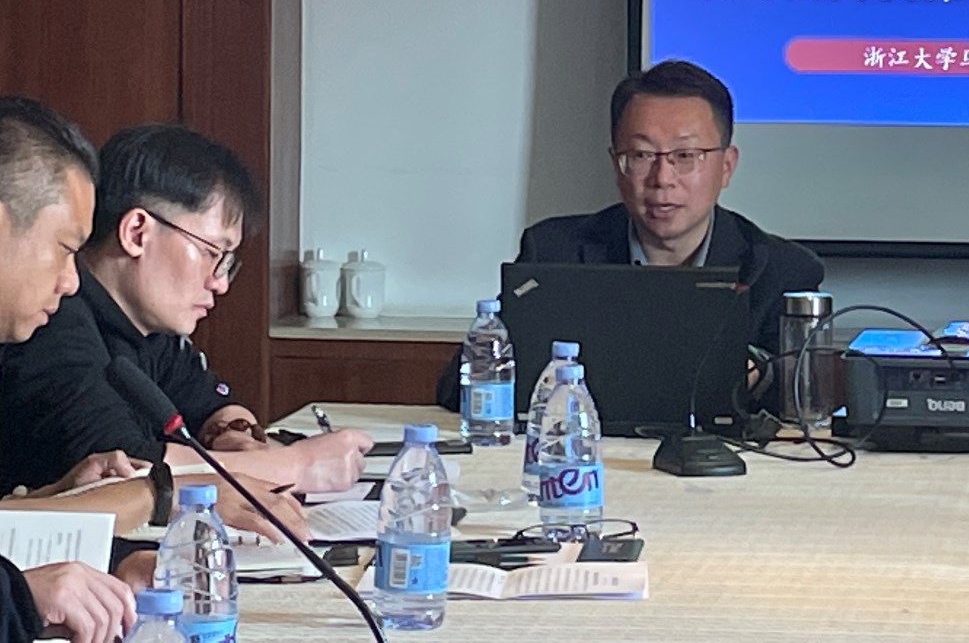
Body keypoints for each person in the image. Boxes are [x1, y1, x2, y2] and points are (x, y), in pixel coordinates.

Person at [0, 98, 303, 643]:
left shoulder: (147, 328)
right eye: (65, 249)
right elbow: (135, 461)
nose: (72, 281)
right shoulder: (53, 331)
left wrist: (99, 544)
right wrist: (22, 597)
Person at [0, 122, 371, 497]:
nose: (220, 283)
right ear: (137, 232)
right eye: (213, 253)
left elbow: (209, 402)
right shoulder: (51, 323)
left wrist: (235, 430)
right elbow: (127, 471)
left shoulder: (147, 327)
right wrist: (299, 465)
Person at [437, 60, 823, 409]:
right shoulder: (554, 253)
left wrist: (757, 374)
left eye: (685, 156)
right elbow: (460, 390)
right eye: (641, 156)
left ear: (726, 166)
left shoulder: (780, 271)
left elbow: (804, 405)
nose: (662, 179)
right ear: (616, 164)